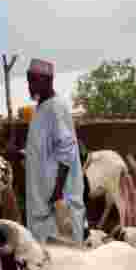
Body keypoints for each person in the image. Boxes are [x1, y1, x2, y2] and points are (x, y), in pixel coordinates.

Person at [22, 58, 85, 244]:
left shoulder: (56, 107)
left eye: (34, 80)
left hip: (56, 202)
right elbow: (45, 150)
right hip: (42, 200)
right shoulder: (41, 108)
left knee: (62, 256)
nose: (30, 86)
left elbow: (67, 150)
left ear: (48, 80)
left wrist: (57, 193)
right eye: (29, 81)